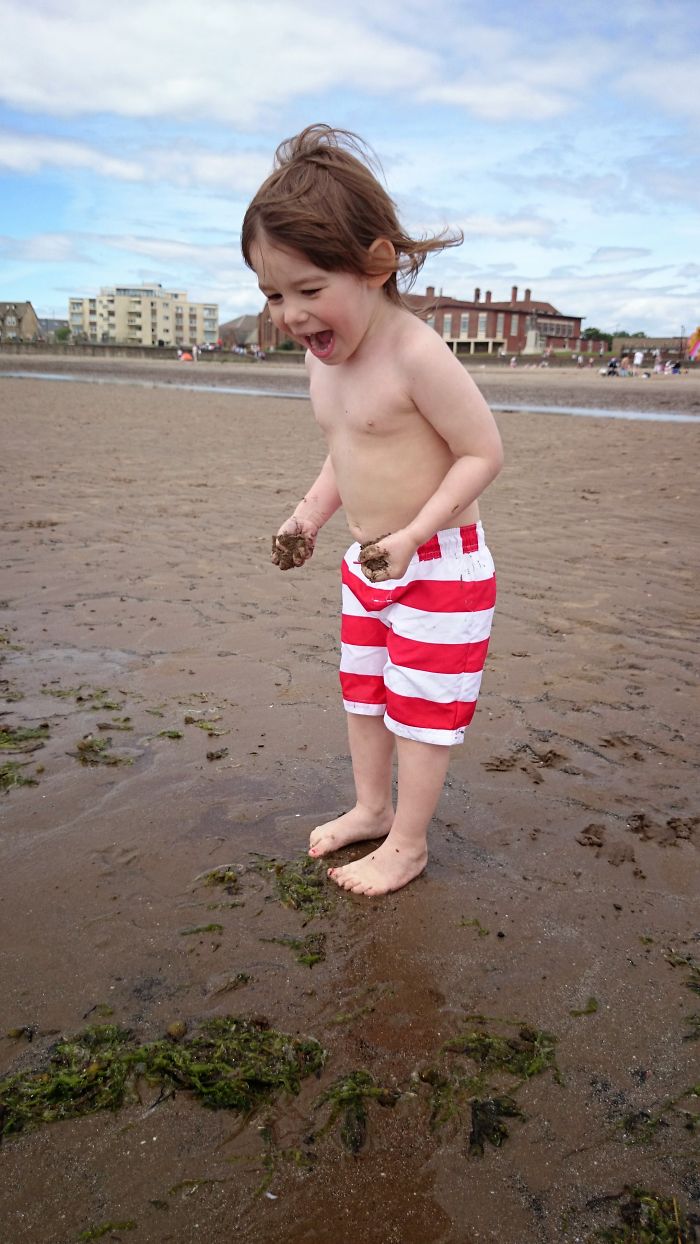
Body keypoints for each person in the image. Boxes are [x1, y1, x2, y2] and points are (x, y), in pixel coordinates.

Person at [241, 125, 503, 896]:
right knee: (365, 692)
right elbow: (347, 450)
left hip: (439, 568)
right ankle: (370, 809)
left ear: (376, 264)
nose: (290, 315)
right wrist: (307, 516)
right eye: (272, 295)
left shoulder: (417, 354)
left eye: (309, 290)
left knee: (421, 714)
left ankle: (410, 844)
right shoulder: (324, 365)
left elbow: (483, 453)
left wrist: (418, 531)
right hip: (368, 568)